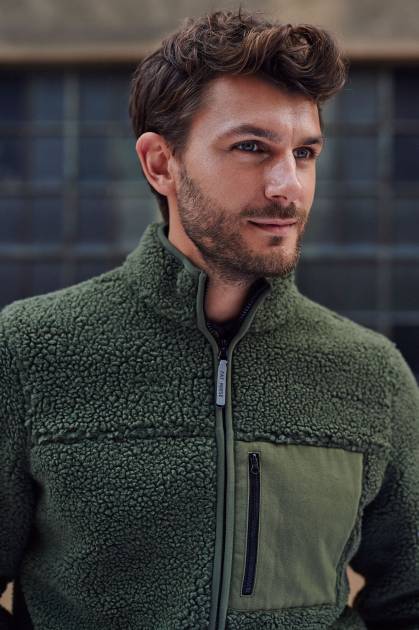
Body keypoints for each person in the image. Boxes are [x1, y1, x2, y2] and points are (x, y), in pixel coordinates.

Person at [1, 9, 418, 630]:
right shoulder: (30, 351)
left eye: (304, 153)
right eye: (251, 147)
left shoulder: (370, 373)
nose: (288, 186)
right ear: (160, 164)